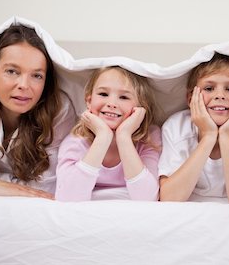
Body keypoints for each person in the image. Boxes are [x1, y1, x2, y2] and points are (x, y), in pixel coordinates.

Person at [0, 24, 76, 198]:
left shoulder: (59, 111)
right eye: (12, 71)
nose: (24, 85)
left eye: (36, 75)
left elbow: (46, 185)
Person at [158, 53, 229, 204]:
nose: (220, 95)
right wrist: (208, 136)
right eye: (209, 88)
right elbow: (169, 198)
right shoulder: (176, 127)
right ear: (190, 98)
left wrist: (226, 137)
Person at [55, 66, 161, 201]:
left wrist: (124, 137)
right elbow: (67, 198)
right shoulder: (76, 141)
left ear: (140, 108)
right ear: (89, 101)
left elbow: (147, 198)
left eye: (124, 97)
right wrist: (102, 138)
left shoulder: (149, 137)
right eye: (103, 94)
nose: (112, 103)